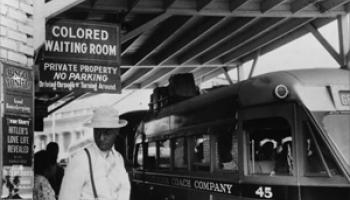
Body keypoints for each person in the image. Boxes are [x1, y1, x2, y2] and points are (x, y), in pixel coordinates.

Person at [59, 106, 131, 200]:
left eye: (107, 133)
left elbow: (123, 190)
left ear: (116, 131)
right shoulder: (81, 159)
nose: (101, 138)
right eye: (97, 132)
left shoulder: (118, 159)